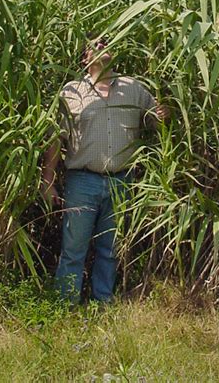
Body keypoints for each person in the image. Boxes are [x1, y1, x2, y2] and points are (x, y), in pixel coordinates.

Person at [41, 35, 170, 305]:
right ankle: (65, 306)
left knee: (110, 248)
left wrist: (165, 112)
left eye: (107, 41)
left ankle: (103, 302)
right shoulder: (72, 91)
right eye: (94, 44)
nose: (101, 45)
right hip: (81, 181)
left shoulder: (133, 89)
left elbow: (155, 123)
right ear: (85, 59)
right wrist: (48, 181)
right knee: (74, 248)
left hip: (122, 180)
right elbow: (56, 138)